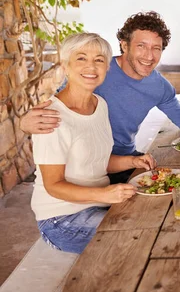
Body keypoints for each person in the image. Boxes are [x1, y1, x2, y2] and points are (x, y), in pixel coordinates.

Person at [21, 11, 180, 183]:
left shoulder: (159, 86)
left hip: (125, 161)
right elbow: (59, 106)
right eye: (141, 46)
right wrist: (25, 123)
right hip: (85, 168)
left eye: (156, 48)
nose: (149, 56)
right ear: (124, 45)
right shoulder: (95, 72)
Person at [32, 33, 157, 254]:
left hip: (99, 204)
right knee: (141, 239)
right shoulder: (50, 118)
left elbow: (95, 162)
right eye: (81, 58)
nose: (91, 66)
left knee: (160, 218)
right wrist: (105, 194)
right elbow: (53, 186)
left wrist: (132, 161)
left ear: (107, 67)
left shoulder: (100, 105)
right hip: (63, 219)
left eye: (99, 60)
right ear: (65, 65)